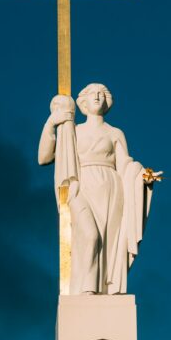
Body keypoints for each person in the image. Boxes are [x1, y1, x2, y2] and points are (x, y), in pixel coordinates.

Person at [38, 83, 159, 294]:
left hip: (111, 190)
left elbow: (125, 165)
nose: (97, 96)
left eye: (102, 93)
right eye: (92, 93)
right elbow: (44, 158)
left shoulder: (115, 133)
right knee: (90, 235)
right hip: (81, 184)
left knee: (108, 242)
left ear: (107, 101)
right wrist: (51, 123)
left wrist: (142, 176)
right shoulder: (71, 131)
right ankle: (86, 288)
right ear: (82, 101)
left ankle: (101, 288)